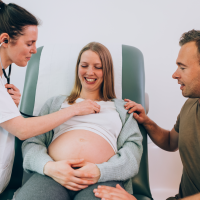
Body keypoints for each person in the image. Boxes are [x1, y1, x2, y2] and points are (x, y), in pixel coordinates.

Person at [14, 42, 143, 200]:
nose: (90, 72)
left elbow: (133, 154)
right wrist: (50, 167)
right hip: (53, 176)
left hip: (102, 179)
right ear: (77, 68)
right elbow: (32, 143)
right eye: (84, 65)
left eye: (98, 67)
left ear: (106, 71)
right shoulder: (55, 103)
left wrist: (100, 171)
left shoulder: (123, 109)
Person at [0, 1, 101, 193]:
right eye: (29, 43)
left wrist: (10, 106)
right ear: (5, 40)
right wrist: (75, 109)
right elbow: (22, 130)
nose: (34, 50)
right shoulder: (58, 104)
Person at [93, 29, 200, 200]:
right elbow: (171, 142)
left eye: (182, 67)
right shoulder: (191, 104)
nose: (175, 74)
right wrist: (146, 122)